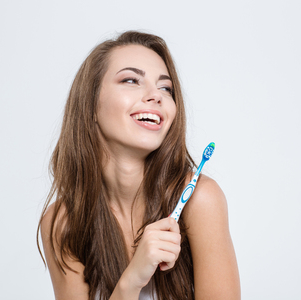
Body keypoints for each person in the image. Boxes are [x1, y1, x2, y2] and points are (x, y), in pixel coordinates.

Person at [37, 31, 240, 300]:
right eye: (131, 80)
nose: (155, 96)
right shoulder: (62, 222)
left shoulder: (200, 200)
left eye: (165, 88)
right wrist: (131, 281)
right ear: (91, 106)